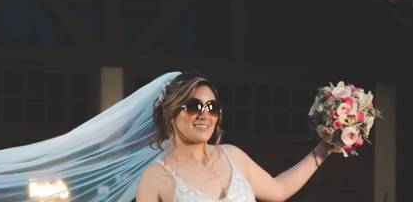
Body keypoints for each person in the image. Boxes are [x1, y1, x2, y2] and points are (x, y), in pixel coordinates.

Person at [135, 71, 339, 202]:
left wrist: (324, 149)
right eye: (194, 106)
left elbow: (278, 189)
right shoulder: (155, 178)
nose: (205, 115)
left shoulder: (232, 155)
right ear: (171, 113)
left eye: (212, 107)